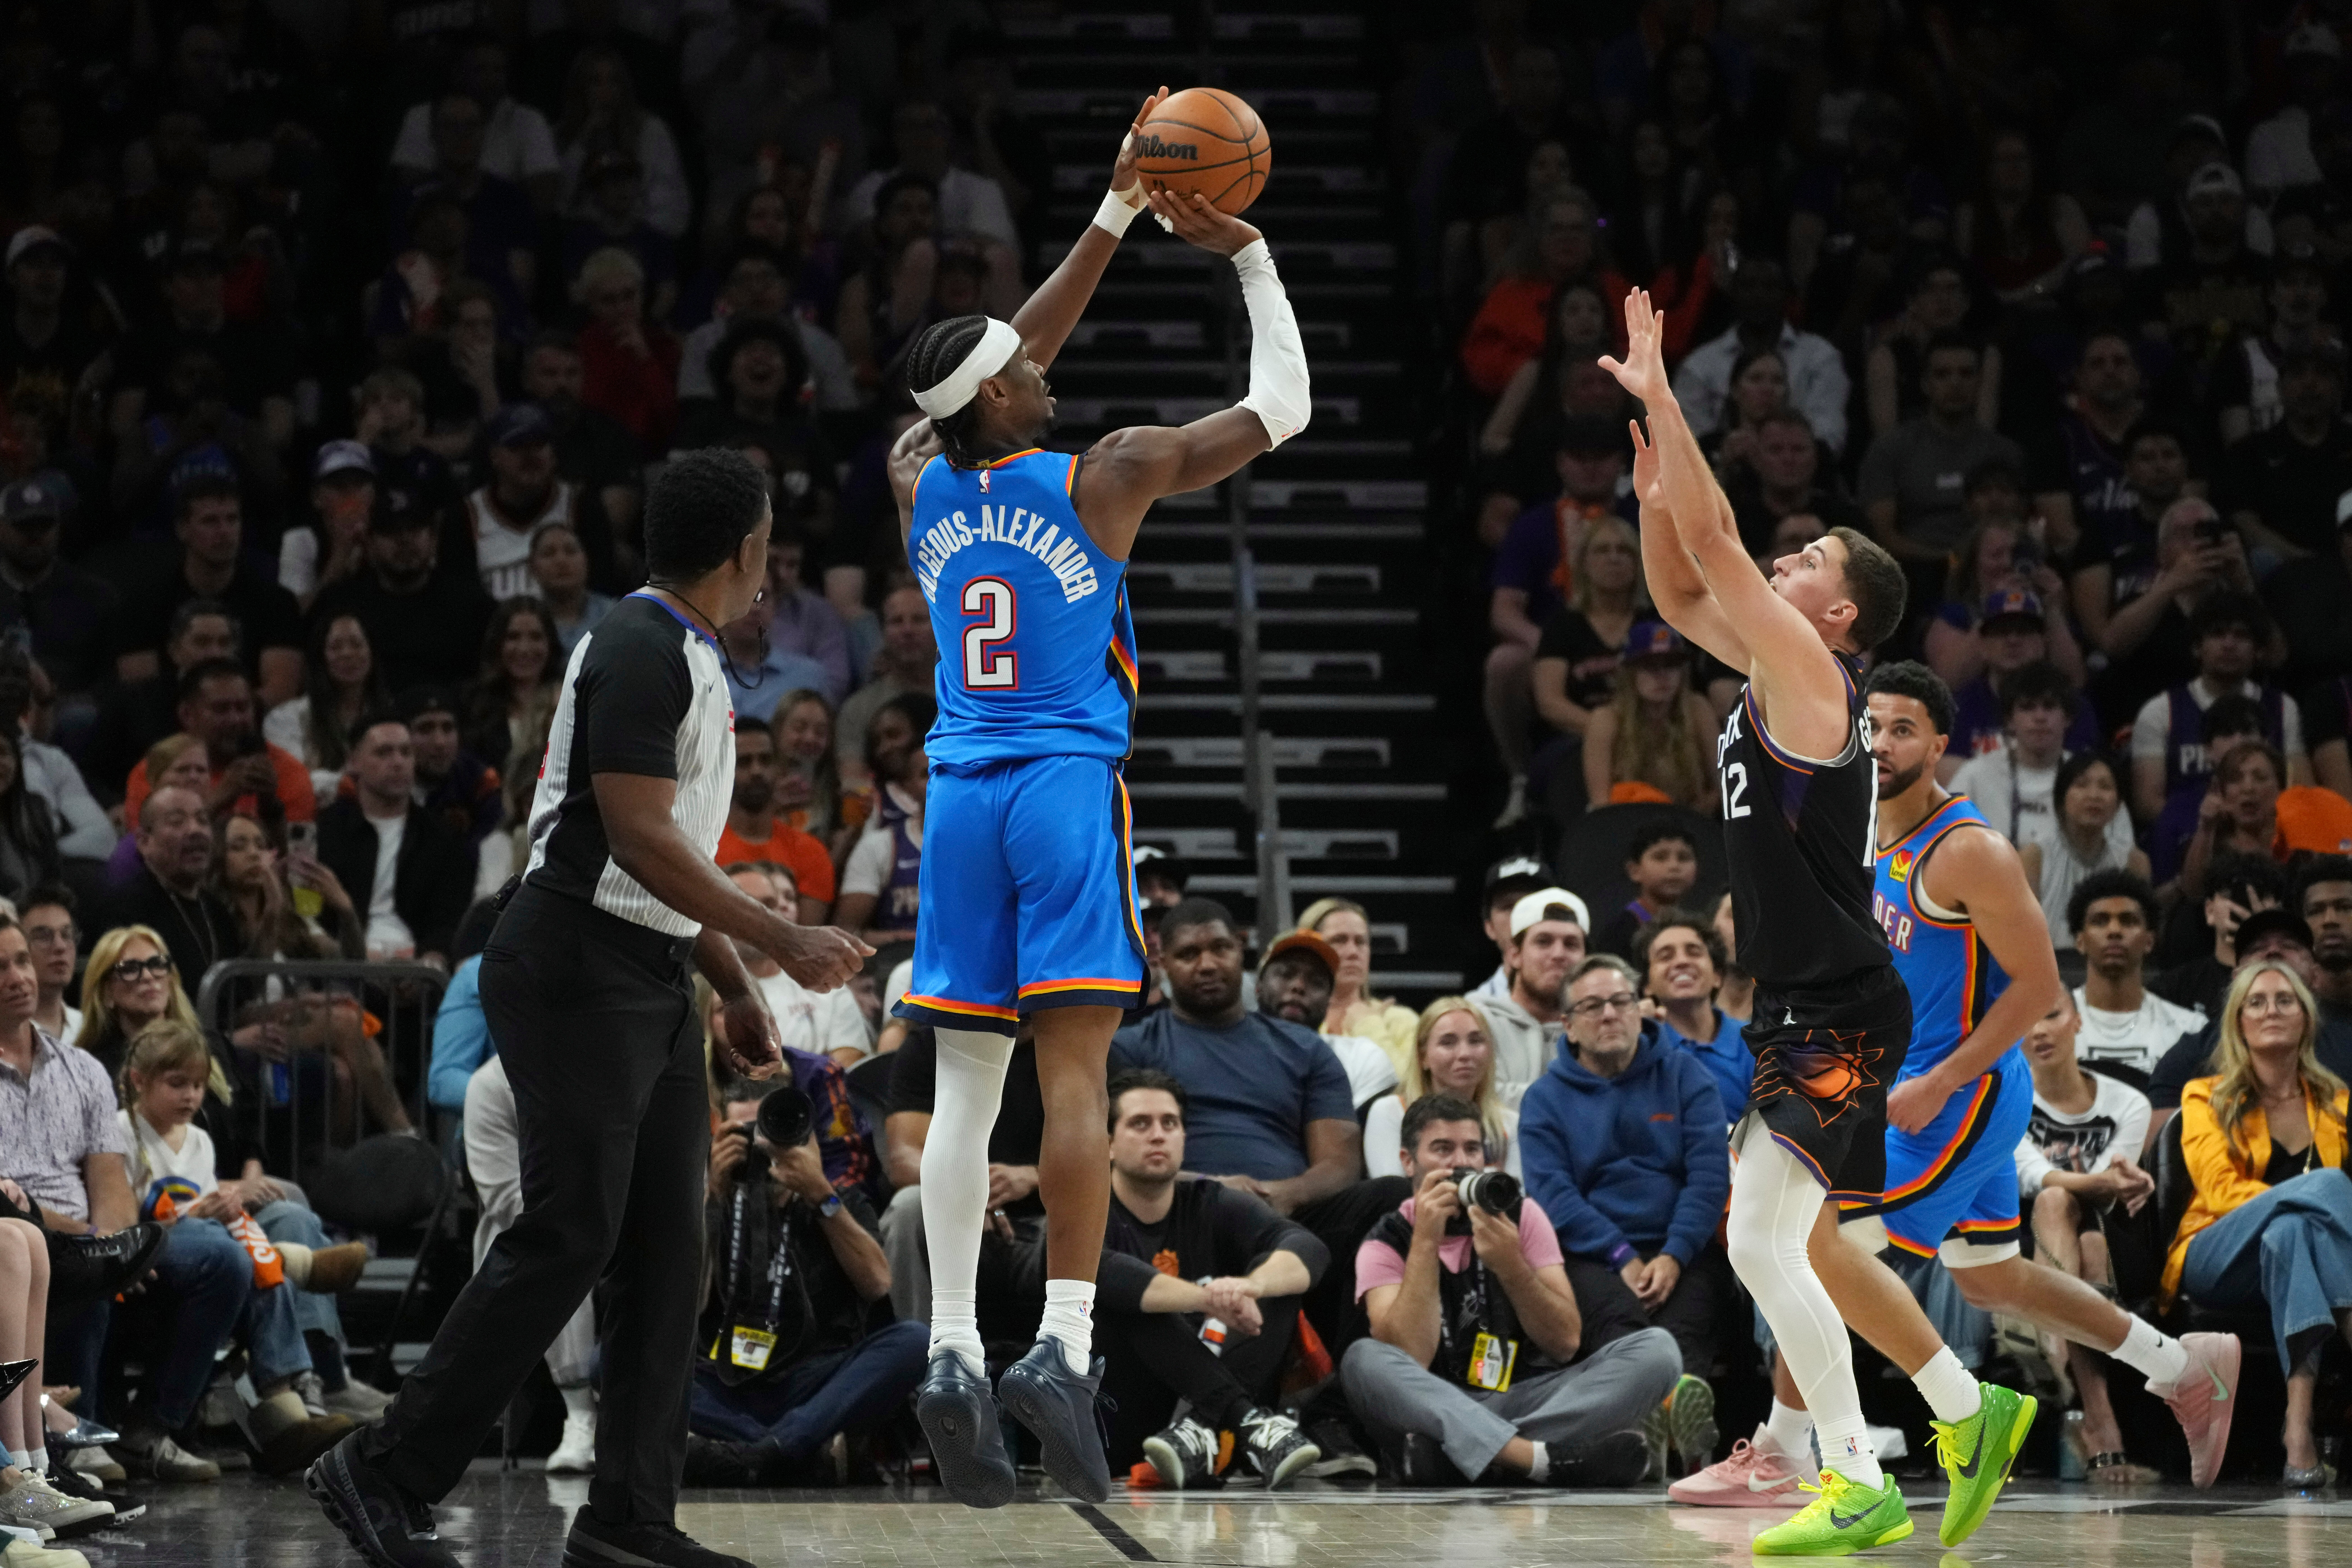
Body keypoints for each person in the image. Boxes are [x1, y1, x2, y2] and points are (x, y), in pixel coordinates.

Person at [304, 449, 869, 1568]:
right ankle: (382, 1468)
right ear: (743, 550)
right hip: (573, 961)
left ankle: (627, 1522)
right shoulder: (638, 645)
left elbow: (673, 854)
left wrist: (731, 985)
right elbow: (637, 838)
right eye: (768, 548)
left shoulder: (687, 650)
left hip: (648, 969)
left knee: (668, 1250)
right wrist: (781, 939)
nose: (771, 570)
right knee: (570, 1232)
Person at [1603, 290, 2029, 1551]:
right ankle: (1966, 1411)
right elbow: (1678, 585)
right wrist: (1649, 494)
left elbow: (1717, 540)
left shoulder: (1812, 679)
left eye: (1806, 566)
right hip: (1803, 1004)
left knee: (1757, 1241)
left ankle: (1855, 1475)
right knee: (1786, 1244)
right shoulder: (1765, 671)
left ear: (1836, 618)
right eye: (1786, 561)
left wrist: (1663, 397)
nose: (1782, 566)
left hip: (1836, 1009)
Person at [1111, 903, 1406, 1375]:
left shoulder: (1304, 1048)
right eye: (1188, 954)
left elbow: (1339, 1163)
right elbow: (1115, 1152)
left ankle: (1343, 1384)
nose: (1207, 964)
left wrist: (1280, 1195)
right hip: (1179, 1210)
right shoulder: (1132, 1046)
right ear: (1161, 965)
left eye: (1219, 948)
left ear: (1241, 950)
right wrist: (1213, 1189)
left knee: (1391, 1196)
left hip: (1287, 1211)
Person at [1342, 1094, 1679, 1487]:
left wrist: (1511, 1266)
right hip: (1433, 1401)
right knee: (1363, 1360)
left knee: (1658, 1351)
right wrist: (1426, 1241)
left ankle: (1467, 1456)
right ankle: (1536, 1457)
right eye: (1443, 1149)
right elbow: (1411, 1355)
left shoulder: (1522, 1215)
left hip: (1523, 1395)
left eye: (1472, 1149)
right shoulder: (1385, 1242)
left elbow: (1564, 1343)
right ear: (1407, 1161)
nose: (1461, 1163)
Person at [111, 1018, 354, 1476]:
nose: (191, 1096)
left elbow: (206, 1207)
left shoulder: (201, 1140)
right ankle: (297, 1267)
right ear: (139, 1081)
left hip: (208, 1253)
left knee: (254, 1260)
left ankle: (288, 1412)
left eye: (199, 1086)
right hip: (154, 1256)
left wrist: (220, 1209)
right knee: (243, 1257)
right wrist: (198, 1215)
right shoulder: (119, 1131)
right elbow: (123, 1221)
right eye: (177, 1084)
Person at [2164, 960, 2352, 1488]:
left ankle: (2297, 1430)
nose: (2271, 1010)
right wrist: (2313, 1194)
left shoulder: (2337, 1104)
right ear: (2238, 1022)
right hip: (2216, 1252)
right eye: (2257, 1002)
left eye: (2284, 1000)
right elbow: (2221, 1192)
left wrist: (2301, 1209)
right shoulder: (2204, 1096)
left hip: (2295, 1259)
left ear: (2305, 1018)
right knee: (2329, 1187)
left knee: (2290, 1233)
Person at [1095, 1070, 1326, 1490]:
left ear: (1184, 1137)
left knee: (1276, 1283)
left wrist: (1252, 1287)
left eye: (1170, 1123)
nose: (1158, 1135)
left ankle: (1199, 1428)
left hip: (1208, 1425)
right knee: (1131, 1299)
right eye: (1140, 1124)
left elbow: (1308, 1248)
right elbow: (1104, 1272)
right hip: (1121, 1418)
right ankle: (1244, 1420)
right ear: (1108, 1143)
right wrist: (1206, 1299)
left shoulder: (1209, 1202)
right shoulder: (1087, 1211)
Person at [684, 1079, 917, 1486]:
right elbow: (686, 1306)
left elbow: (878, 1284)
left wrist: (821, 1196)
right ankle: (787, 1449)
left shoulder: (839, 1200)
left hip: (815, 1381)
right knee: (613, 1359)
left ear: (805, 1138)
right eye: (747, 1137)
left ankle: (749, 1451)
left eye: (771, 1135)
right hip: (726, 1379)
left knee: (913, 1342)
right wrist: (713, 1200)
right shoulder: (711, 1205)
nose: (762, 1149)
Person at [1520, 955, 1734, 1390]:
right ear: (1568, 1026)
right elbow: (1553, 1196)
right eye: (1592, 1006)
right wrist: (1620, 1255)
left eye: (1621, 1001)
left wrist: (1674, 1255)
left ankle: (1668, 1416)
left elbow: (1709, 1179)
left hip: (1685, 1248)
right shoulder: (1543, 1099)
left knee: (1683, 1331)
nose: (1610, 1014)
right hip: (1590, 1256)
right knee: (1622, 1330)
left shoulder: (1687, 1076)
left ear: (1640, 1010)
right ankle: (1657, 1417)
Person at [2013, 992, 2161, 1479]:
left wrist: (2112, 1184)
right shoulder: (2006, 1101)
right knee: (2058, 1208)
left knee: (2081, 1225)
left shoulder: (2129, 1102)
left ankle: (2057, 1354)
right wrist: (2108, 1181)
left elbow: (2106, 1198)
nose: (2039, 1030)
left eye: (2051, 1014)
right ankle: (2102, 1428)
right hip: (2024, 1242)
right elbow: (2032, 1178)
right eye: (2025, 1019)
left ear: (2077, 1021)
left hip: (2115, 1239)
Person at [461, 1052, 599, 1474]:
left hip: (622, 1217)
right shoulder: (489, 1086)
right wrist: (589, 1219)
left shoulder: (617, 1068)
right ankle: (582, 1414)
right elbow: (506, 1197)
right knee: (555, 1253)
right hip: (535, 1229)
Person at [114, 476, 304, 706]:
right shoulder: (143, 604)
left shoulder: (276, 603)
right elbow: (139, 694)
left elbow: (280, 694)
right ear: (183, 530)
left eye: (232, 520)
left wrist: (223, 712)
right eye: (210, 521)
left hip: (249, 722)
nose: (224, 531)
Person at [316, 718, 474, 968]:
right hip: (342, 961)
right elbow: (312, 912)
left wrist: (431, 962)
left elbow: (446, 922)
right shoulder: (327, 830)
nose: (398, 763)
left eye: (406, 753)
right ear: (354, 762)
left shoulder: (442, 838)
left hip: (417, 967)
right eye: (384, 753)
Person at [307, 491, 498, 695]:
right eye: (391, 532)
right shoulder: (340, 604)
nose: (405, 540)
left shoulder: (471, 604)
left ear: (434, 539)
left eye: (415, 529)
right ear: (369, 543)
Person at [121, 660, 316, 830]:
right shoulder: (156, 770)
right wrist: (222, 796)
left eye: (243, 708)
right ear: (187, 715)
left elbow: (298, 852)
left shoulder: (285, 770)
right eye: (221, 710)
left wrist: (271, 808)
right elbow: (150, 845)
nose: (235, 719)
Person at [90, 788, 240, 987]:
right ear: (145, 842)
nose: (195, 830)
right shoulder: (123, 908)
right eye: (177, 822)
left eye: (203, 821)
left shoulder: (219, 913)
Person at [723, 863, 867, 1068]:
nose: (758, 918)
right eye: (745, 905)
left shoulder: (827, 987)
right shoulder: (701, 993)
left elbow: (849, 1065)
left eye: (768, 905)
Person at [1362, 998, 1522, 1181]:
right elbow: (1391, 1190)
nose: (1465, 1054)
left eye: (1475, 1041)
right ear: (1423, 1057)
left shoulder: (1509, 1124)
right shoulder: (1391, 1112)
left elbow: (1518, 1195)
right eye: (1448, 1043)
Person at [2068, 870, 2208, 1080]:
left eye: (2128, 921)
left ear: (2149, 941)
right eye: (2100, 921)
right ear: (2080, 941)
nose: (2114, 931)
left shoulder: (2190, 1030)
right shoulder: (2047, 1028)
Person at [1253, 928, 1400, 1122]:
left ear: (1329, 1000)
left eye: (1316, 982)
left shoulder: (1360, 1057)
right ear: (1258, 987)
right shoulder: (1227, 1049)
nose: (1299, 986)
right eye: (1286, 975)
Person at [2018, 752, 2149, 952]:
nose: (2094, 795)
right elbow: (2020, 937)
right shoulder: (2033, 858)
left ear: (2118, 805)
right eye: (2081, 785)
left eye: (2105, 787)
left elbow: (2139, 937)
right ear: (2061, 800)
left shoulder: (2134, 862)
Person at [831, 694, 930, 948]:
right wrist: (904, 940)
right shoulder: (880, 843)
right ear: (909, 786)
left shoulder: (986, 841)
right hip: (896, 960)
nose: (937, 782)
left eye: (944, 772)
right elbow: (848, 932)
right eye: (926, 775)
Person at [712, 718, 835, 922]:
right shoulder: (703, 847)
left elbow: (807, 936)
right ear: (722, 770)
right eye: (744, 762)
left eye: (766, 760)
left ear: (779, 768)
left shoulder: (811, 852)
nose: (757, 771)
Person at [1638, 912, 1750, 1122]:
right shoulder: (1640, 1049)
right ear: (1647, 985)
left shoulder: (1756, 1044)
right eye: (1665, 956)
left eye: (1694, 952)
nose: (1681, 962)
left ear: (1717, 977)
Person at [266, 615, 391, 803]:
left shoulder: (391, 714)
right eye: (336, 647)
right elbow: (295, 780)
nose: (347, 654)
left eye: (357, 645)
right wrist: (350, 782)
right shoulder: (285, 718)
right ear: (321, 657)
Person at [1482, 888, 1585, 1105]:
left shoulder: (1596, 1027)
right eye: (1543, 942)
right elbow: (1479, 1100)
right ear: (1515, 955)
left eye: (1571, 944)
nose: (1558, 954)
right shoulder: (1477, 1021)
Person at [1298, 896, 1417, 1080]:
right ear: (1310, 949)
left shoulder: (1401, 1022)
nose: (1353, 952)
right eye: (1339, 940)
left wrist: (1368, 1026)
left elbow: (1410, 1088)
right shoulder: (1293, 1020)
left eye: (1361, 942)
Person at [460, 599, 562, 786]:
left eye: (536, 637)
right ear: (498, 644)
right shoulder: (474, 705)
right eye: (513, 637)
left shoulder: (570, 701)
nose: (524, 649)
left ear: (550, 644)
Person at [278, 442, 380, 612]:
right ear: (317, 497)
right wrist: (339, 558)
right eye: (339, 486)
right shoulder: (300, 541)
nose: (351, 495)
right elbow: (293, 614)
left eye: (359, 485)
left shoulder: (386, 536)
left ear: (374, 493)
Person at [1592, 821, 1702, 960]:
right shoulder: (1617, 935)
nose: (1674, 866)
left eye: (1684, 858)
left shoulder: (1701, 931)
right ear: (1634, 871)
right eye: (1660, 857)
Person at [19, 886, 78, 1044]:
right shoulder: (9, 1033)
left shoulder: (88, 1029)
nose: (60, 947)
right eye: (44, 937)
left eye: (67, 935)